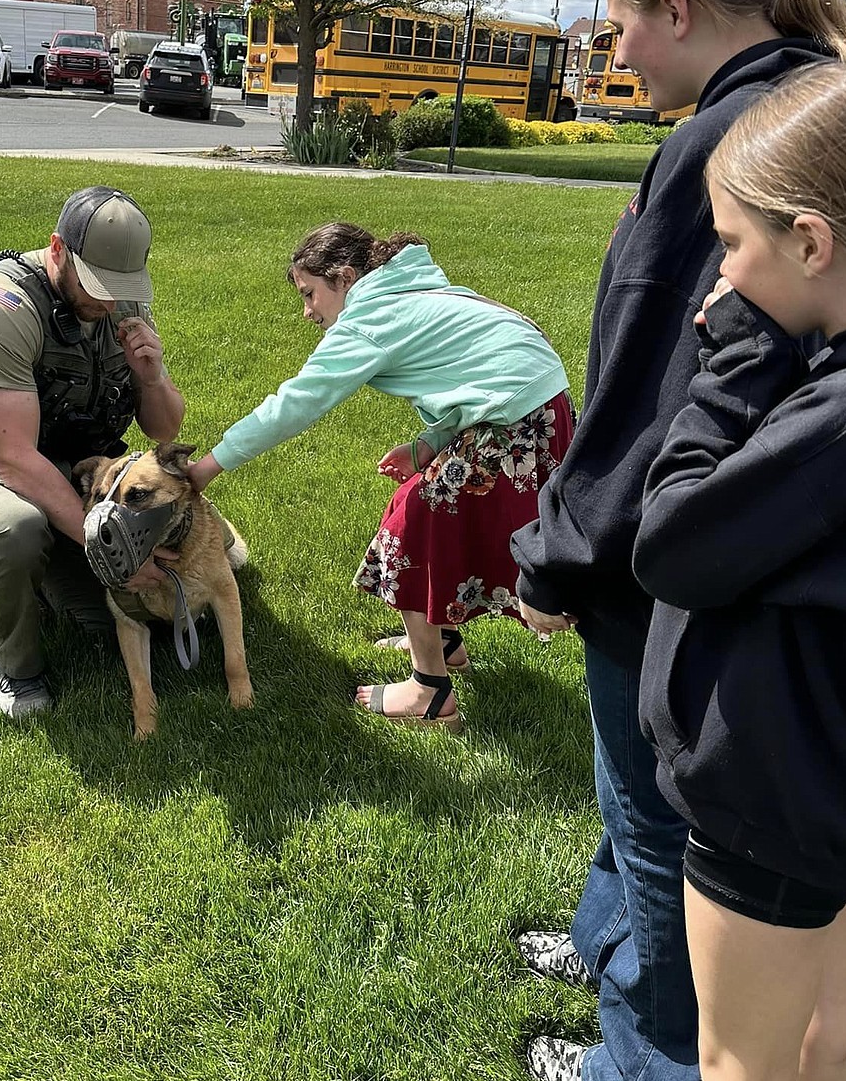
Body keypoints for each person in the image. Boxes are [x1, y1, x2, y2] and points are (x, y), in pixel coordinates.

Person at [510, 0, 846, 1081]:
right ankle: (614, 954)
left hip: (682, 548)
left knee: (653, 819)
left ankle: (648, 1074)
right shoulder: (809, 103)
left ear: (675, 9)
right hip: (764, 539)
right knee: (633, 804)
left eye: (615, 29)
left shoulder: (724, 143)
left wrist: (554, 556)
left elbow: (654, 391)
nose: (608, 58)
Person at [556, 63, 846, 1081]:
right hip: (836, 783)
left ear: (813, 240)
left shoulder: (835, 412)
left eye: (735, 246)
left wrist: (732, 359)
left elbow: (675, 540)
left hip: (772, 791)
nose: (722, 273)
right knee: (822, 1044)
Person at [187, 222, 573, 724]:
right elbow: (470, 371)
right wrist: (427, 445)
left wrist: (208, 466)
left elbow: (295, 404)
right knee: (425, 512)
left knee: (409, 530)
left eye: (310, 294)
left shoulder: (369, 316)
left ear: (345, 277)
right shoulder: (410, 287)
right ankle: (443, 641)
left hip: (515, 424)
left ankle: (429, 691)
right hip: (541, 412)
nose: (307, 312)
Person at [0, 186, 185, 719]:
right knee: (15, 529)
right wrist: (111, 548)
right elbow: (13, 459)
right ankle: (15, 666)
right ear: (58, 250)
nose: (110, 302)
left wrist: (152, 377)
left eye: (121, 288)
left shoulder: (123, 303)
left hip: (79, 477)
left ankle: (28, 575)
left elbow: (164, 430)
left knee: (140, 627)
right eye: (98, 286)